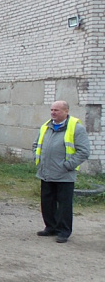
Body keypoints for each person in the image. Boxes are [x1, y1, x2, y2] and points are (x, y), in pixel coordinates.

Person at [32, 100, 90, 243]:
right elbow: (36, 144)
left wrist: (68, 165)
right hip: (46, 172)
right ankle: (50, 227)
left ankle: (63, 231)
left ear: (66, 111)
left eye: (56, 110)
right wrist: (37, 158)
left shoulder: (76, 128)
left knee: (64, 205)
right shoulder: (46, 126)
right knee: (47, 202)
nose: (53, 112)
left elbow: (84, 151)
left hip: (64, 174)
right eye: (52, 110)